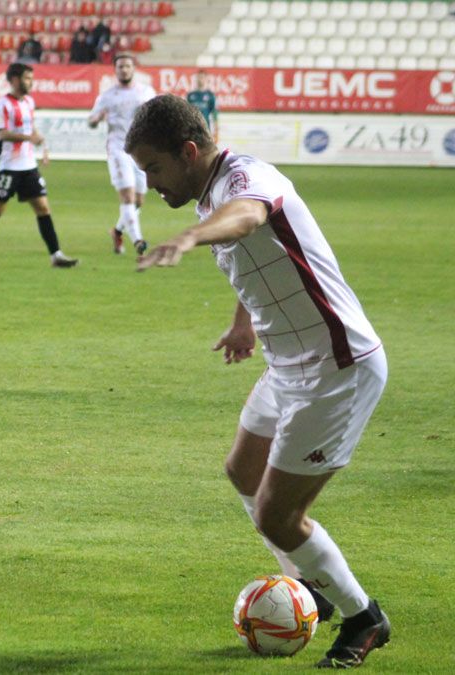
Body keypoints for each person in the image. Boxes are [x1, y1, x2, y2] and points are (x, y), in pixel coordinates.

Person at [128, 94, 391, 669]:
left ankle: (364, 617)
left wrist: (192, 239)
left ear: (189, 151)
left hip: (335, 366)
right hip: (288, 361)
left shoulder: (248, 177)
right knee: (242, 470)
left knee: (277, 513)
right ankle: (308, 587)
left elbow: (248, 217)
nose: (151, 184)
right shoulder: (209, 197)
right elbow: (252, 256)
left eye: (154, 168)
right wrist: (242, 323)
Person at [0, 62, 78, 269]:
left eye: (31, 78)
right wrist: (30, 138)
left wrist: (41, 144)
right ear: (14, 80)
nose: (31, 82)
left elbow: (31, 128)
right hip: (7, 166)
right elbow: (2, 133)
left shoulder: (29, 102)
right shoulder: (1, 104)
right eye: (27, 78)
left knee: (43, 207)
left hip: (28, 166)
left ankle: (56, 255)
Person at [87, 54, 155, 256]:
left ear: (134, 68)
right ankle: (138, 241)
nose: (124, 70)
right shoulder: (107, 96)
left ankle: (117, 231)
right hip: (118, 149)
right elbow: (91, 120)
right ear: (115, 70)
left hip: (141, 150)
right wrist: (96, 119)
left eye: (127, 66)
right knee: (127, 196)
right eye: (120, 67)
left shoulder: (146, 92)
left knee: (139, 201)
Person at [186, 69, 219, 143]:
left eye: (202, 77)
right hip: (193, 129)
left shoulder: (211, 95)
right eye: (198, 77)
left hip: (206, 129)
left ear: (206, 79)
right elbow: (186, 113)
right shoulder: (190, 95)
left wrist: (216, 132)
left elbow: (214, 113)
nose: (200, 80)